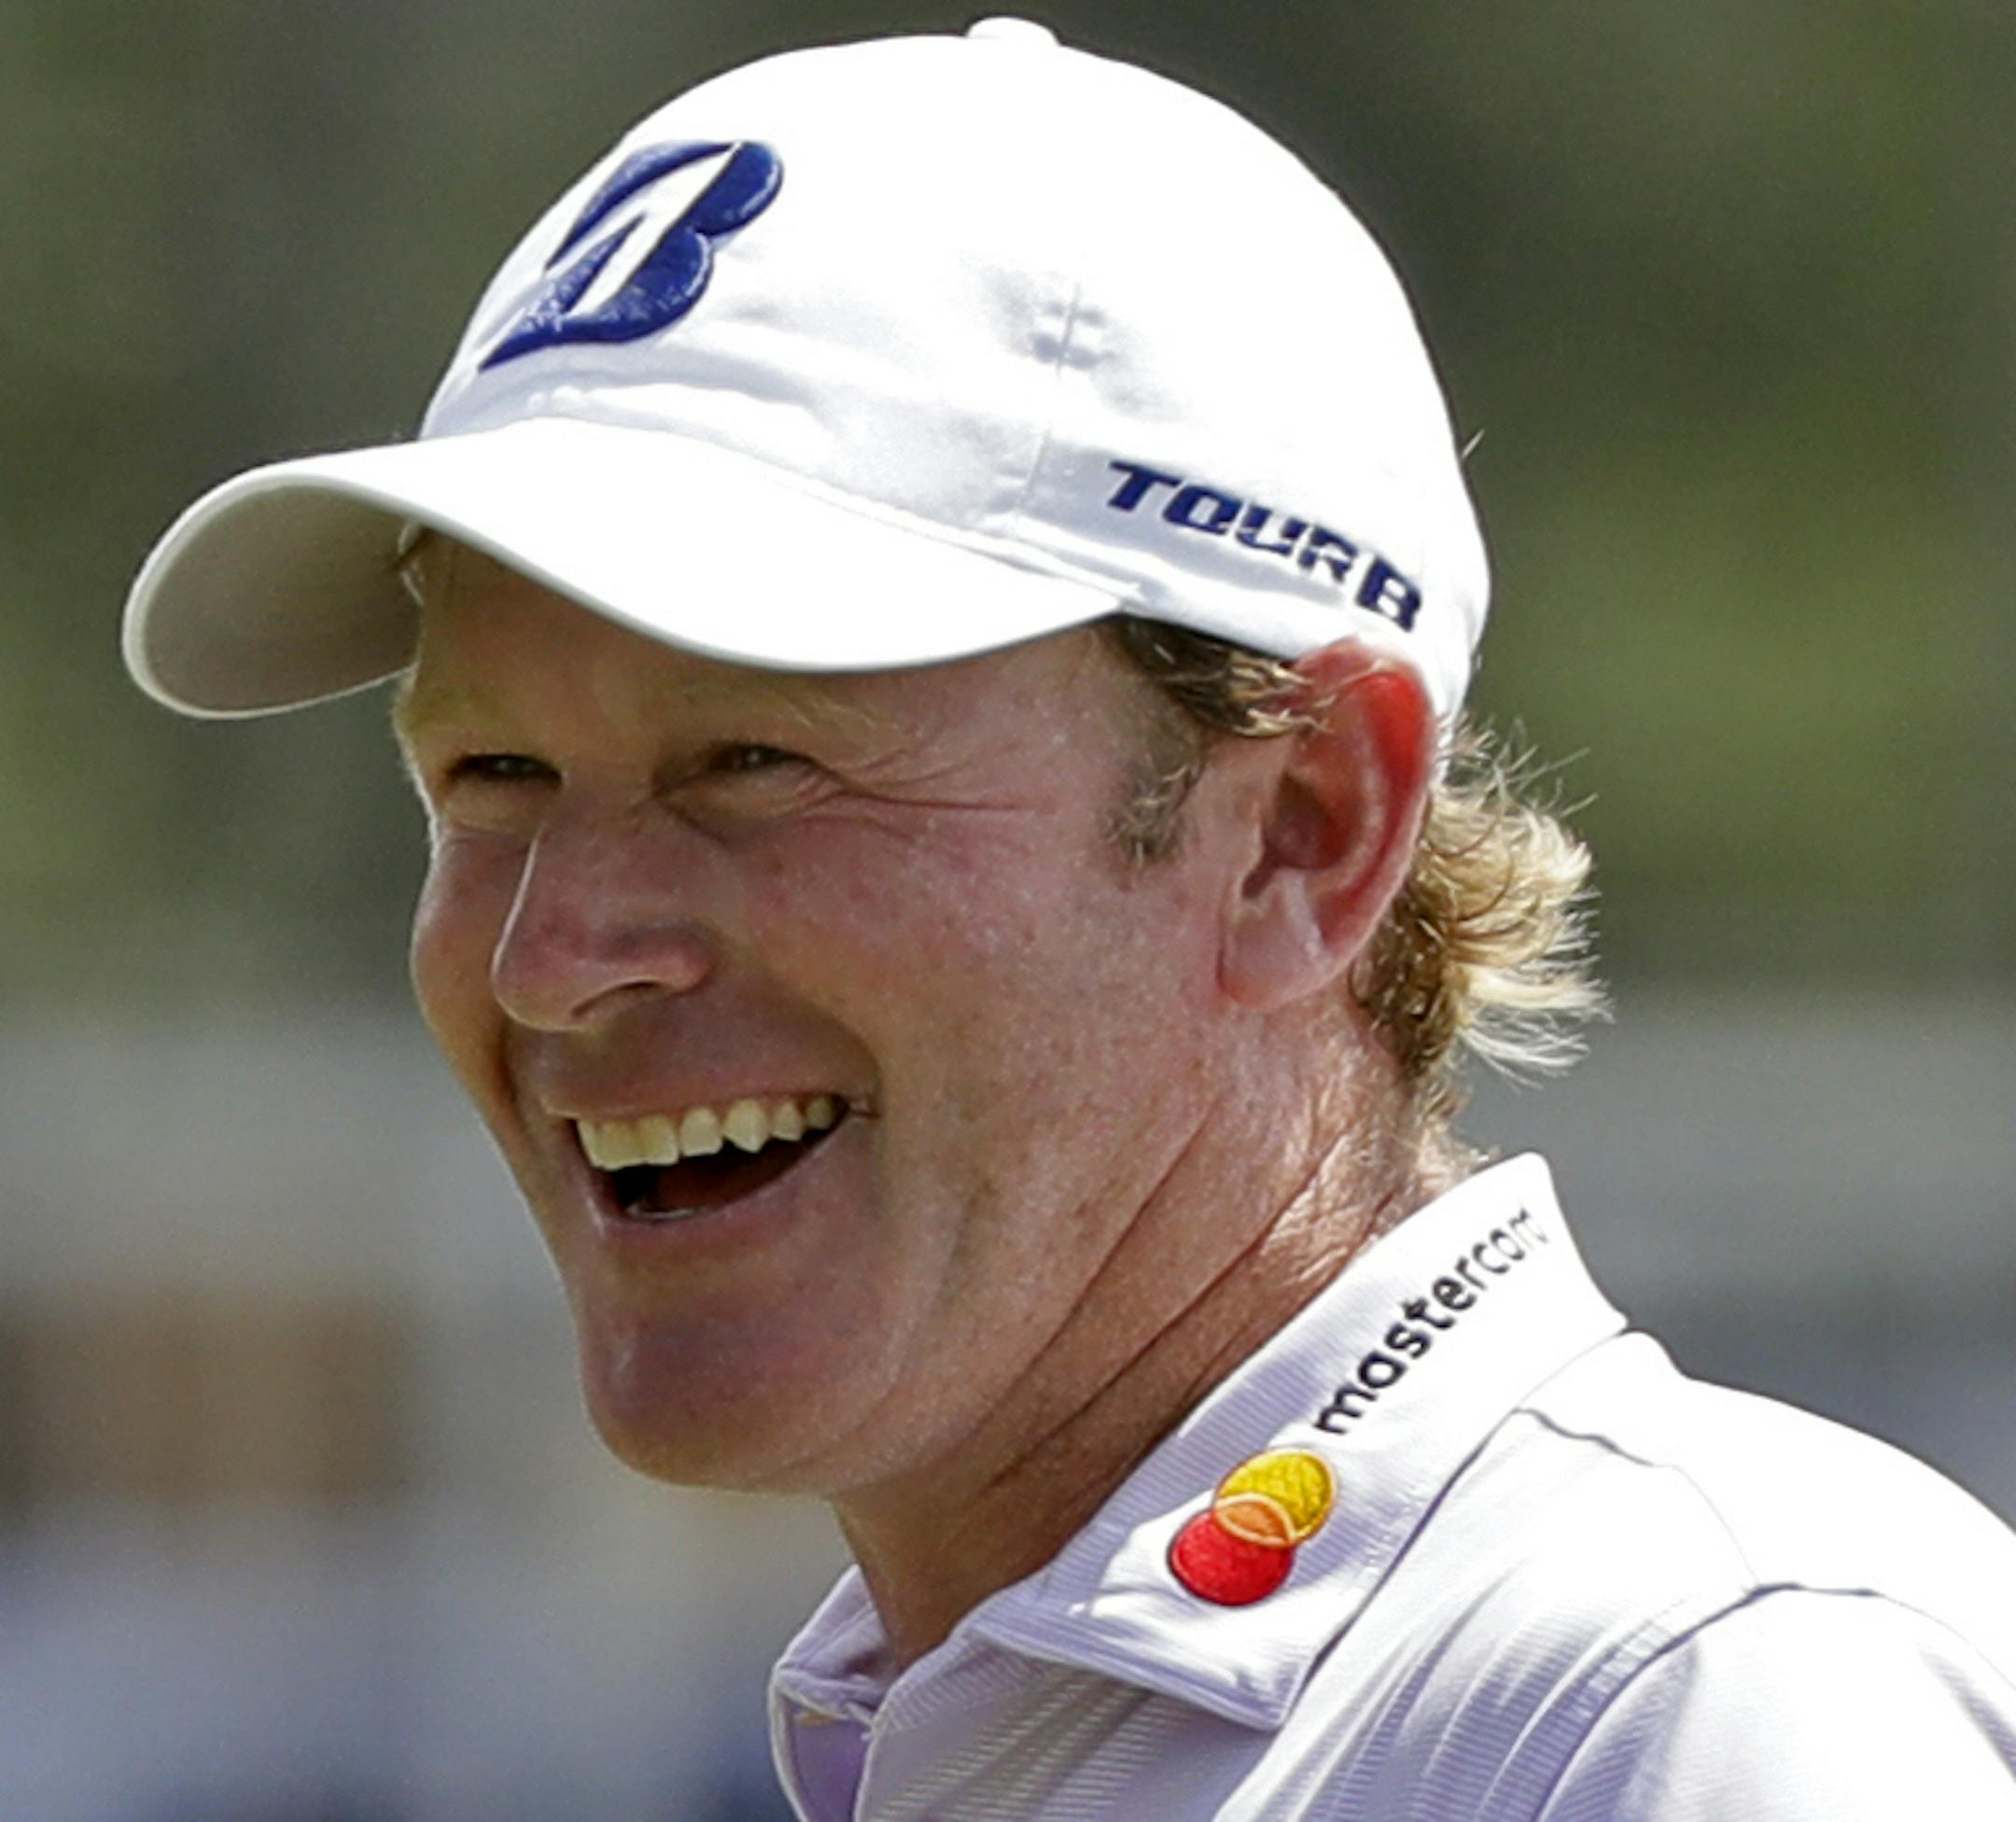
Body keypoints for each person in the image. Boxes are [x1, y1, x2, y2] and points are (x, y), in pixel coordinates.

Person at [121, 18, 2016, 1819]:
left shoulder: (1703, 1708)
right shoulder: (1010, 1712)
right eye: (492, 775)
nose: (555, 954)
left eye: (756, 760)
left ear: (1304, 831)